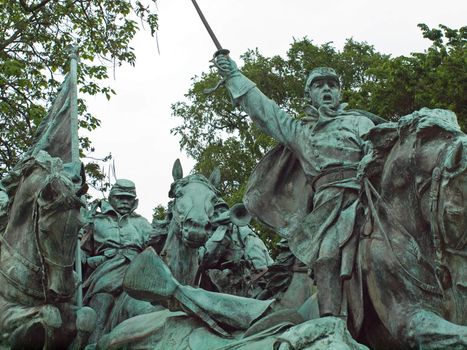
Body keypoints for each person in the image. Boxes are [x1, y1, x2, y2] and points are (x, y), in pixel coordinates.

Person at [214, 54, 377, 319]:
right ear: (309, 95)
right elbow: (266, 112)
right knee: (326, 258)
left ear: (339, 92)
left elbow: (377, 153)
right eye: (319, 85)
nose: (326, 89)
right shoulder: (301, 131)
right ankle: (329, 322)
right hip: (329, 208)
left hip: (368, 197)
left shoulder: (361, 122)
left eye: (331, 85)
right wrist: (233, 75)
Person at [81, 179, 160, 342]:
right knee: (101, 305)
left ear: (135, 201)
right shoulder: (95, 220)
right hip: (105, 274)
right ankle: (91, 343)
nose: (125, 201)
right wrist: (83, 255)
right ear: (111, 198)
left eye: (129, 198)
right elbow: (82, 250)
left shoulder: (143, 223)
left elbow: (156, 248)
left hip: (137, 274)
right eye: (120, 197)